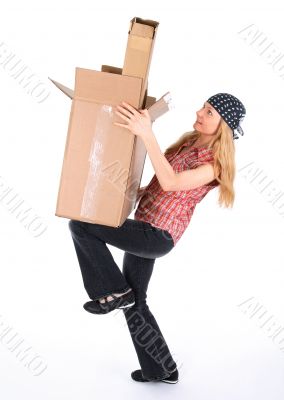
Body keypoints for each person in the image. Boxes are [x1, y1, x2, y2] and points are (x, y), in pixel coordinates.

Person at [68, 93, 246, 384]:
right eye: (204, 105)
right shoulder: (190, 142)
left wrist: (146, 132)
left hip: (156, 236)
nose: (200, 111)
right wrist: (135, 193)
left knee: (81, 225)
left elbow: (171, 182)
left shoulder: (215, 165)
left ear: (223, 126)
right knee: (137, 304)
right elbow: (161, 183)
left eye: (210, 111)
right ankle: (162, 369)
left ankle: (112, 292)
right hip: (145, 226)